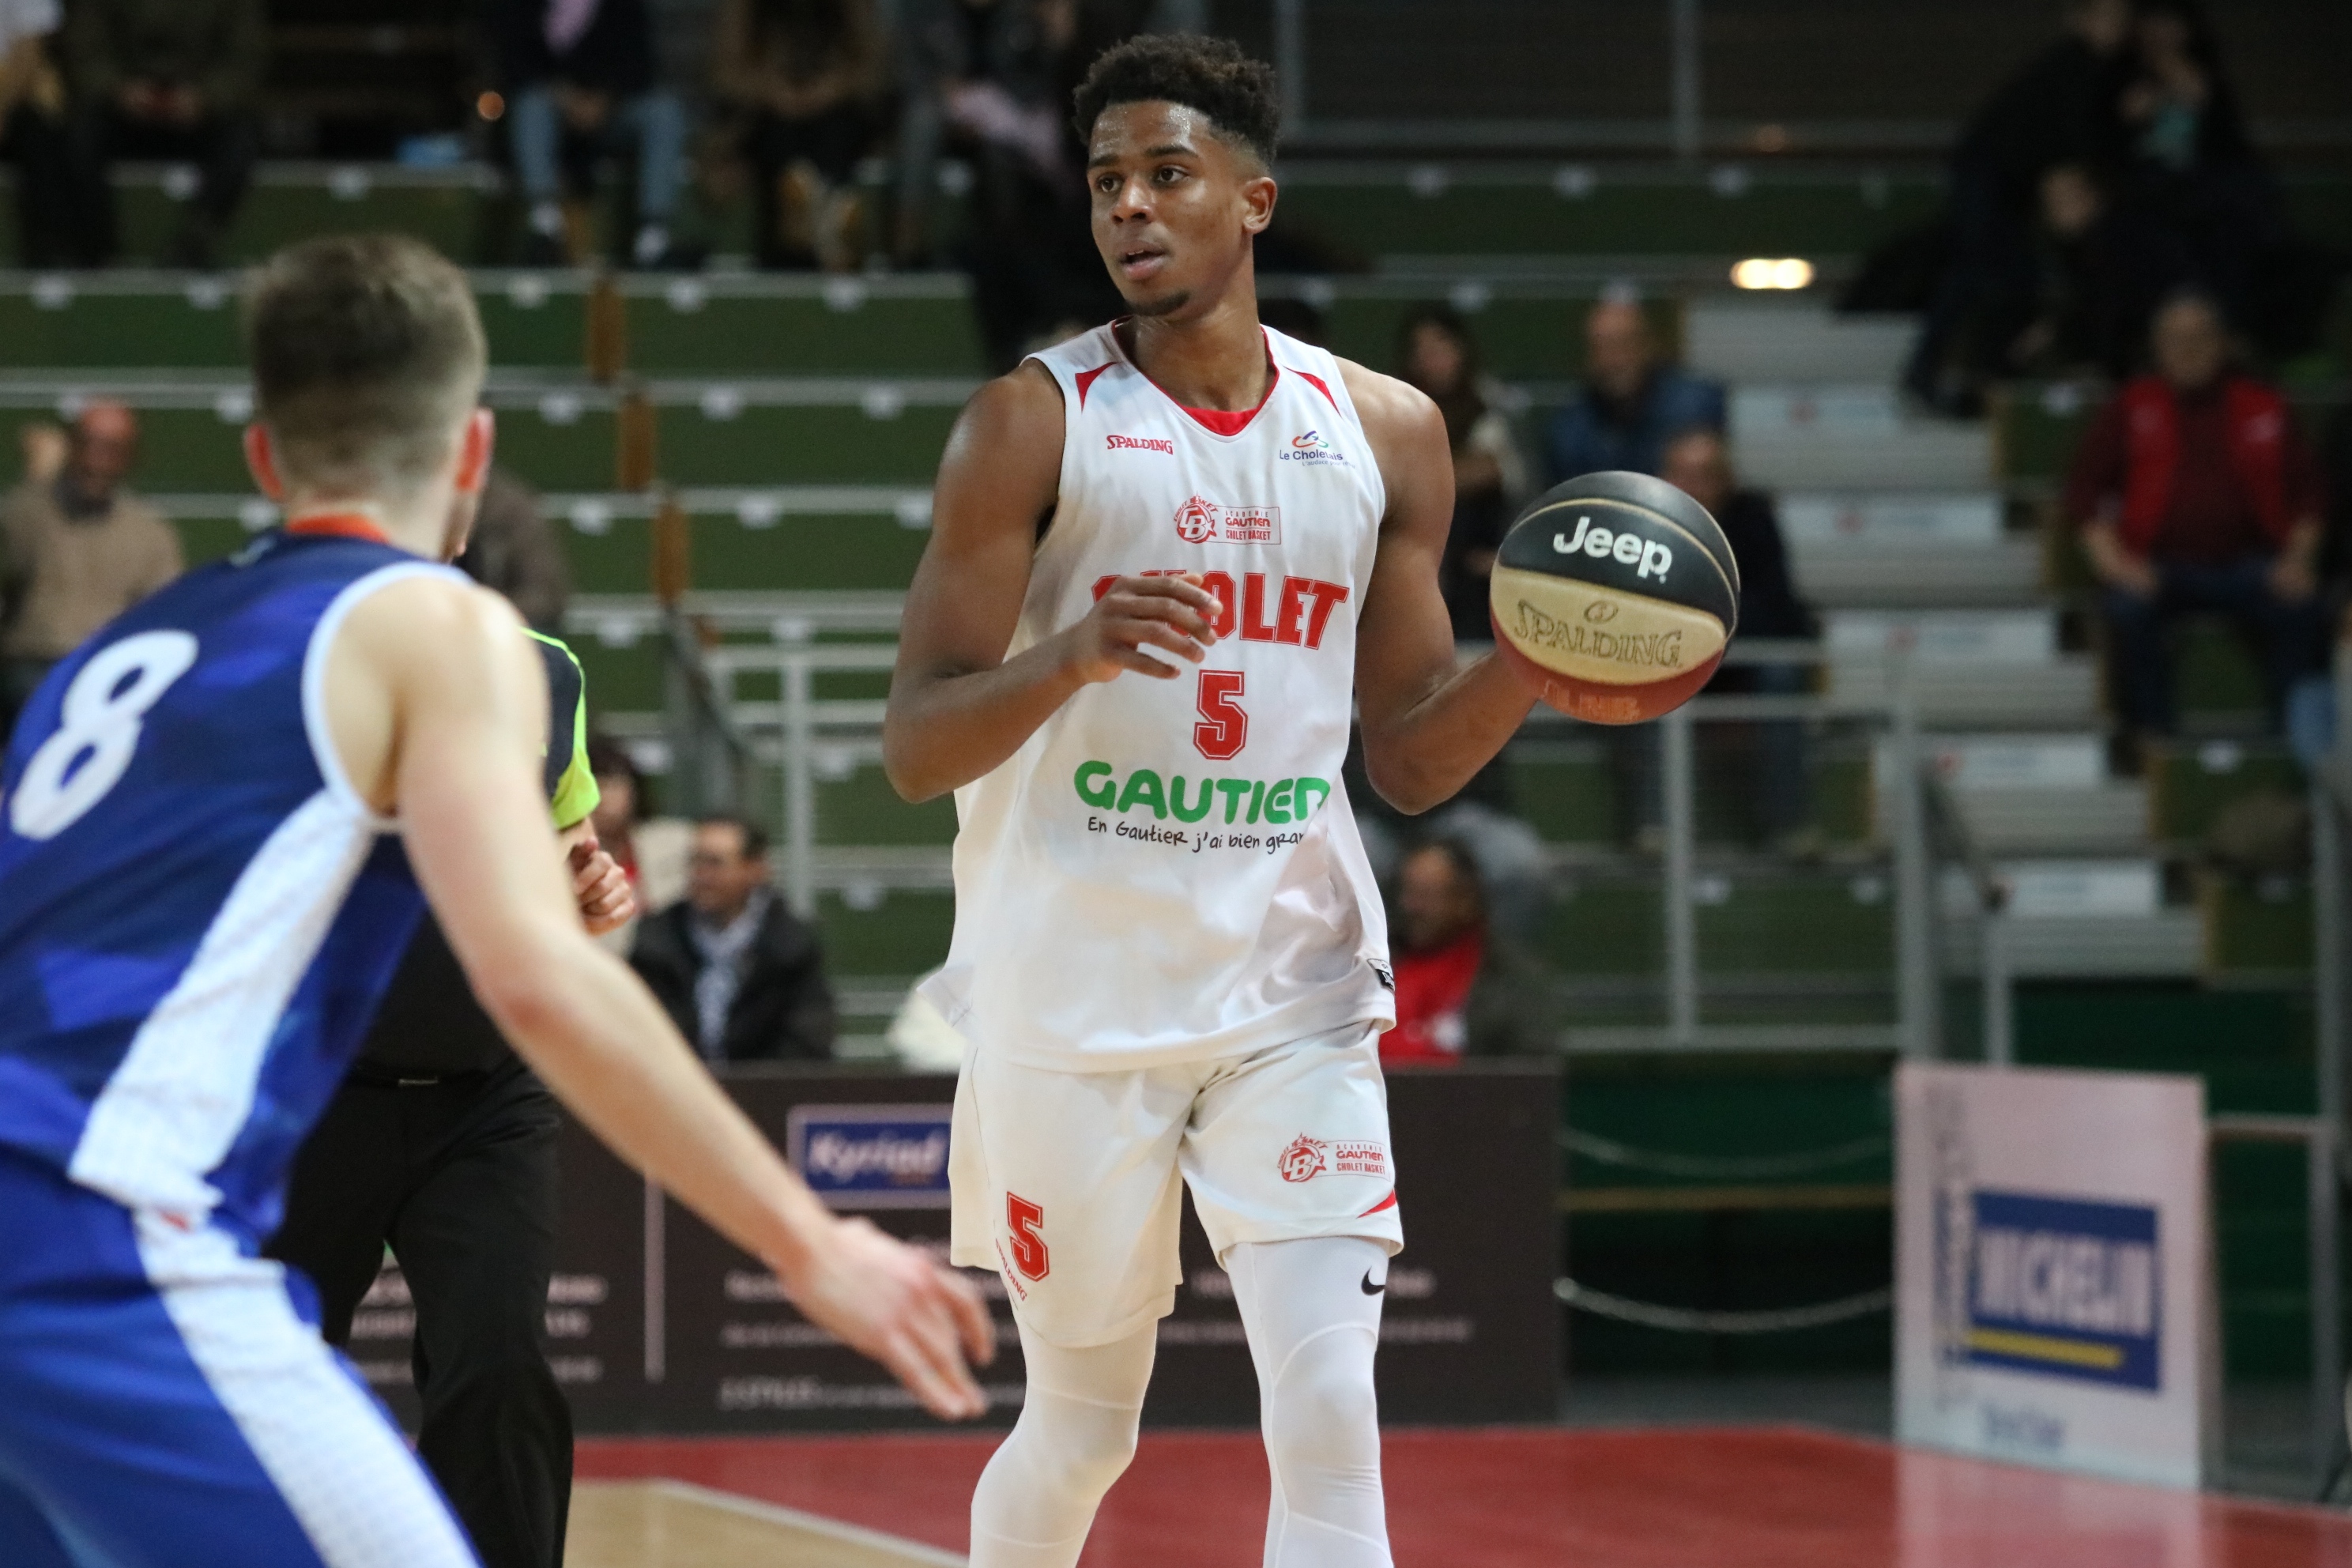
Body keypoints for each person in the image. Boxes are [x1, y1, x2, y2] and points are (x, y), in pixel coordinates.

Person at [0, 232, 989, 1566]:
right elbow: (539, 976)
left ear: (260, 456)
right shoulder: (440, 622)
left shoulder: (130, 647)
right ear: (470, 453)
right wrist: (810, 1242)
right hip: (101, 1235)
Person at [884, 36, 1540, 1567]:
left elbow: (1411, 758)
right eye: (1108, 180)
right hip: (1073, 989)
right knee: (1083, 1425)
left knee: (1329, 1427)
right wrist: (1073, 652)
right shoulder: (1028, 422)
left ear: (1253, 199)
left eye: (1166, 174)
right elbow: (917, 745)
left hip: (1290, 975)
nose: (1130, 207)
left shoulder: (1385, 432)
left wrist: (1536, 663)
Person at [267, 630, 621, 1568]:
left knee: (501, 1367)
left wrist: (586, 879)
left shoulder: (543, 667)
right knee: (275, 1372)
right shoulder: (281, 656)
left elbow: (565, 840)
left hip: (487, 1095)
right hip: (314, 1095)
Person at [2067, 292, 2328, 752]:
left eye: (2200, 338)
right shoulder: (2132, 406)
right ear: (2157, 347)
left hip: (2249, 564)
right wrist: (2115, 564)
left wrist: (2297, 560)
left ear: (2223, 344)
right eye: (2174, 339)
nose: (2187, 350)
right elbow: (2085, 496)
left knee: (2304, 607)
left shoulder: (2264, 406)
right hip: (2159, 565)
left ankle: (2293, 742)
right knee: (2126, 609)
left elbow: (2309, 497)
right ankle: (2154, 740)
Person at [1902, 0, 2133, 413]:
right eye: (2105, 17)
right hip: (1989, 176)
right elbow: (2064, 143)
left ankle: (1972, 374)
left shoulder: (2096, 72)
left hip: (2008, 186)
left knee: (2000, 274)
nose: (2115, 28)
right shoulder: (2071, 66)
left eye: (2120, 18)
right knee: (1982, 269)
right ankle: (1932, 370)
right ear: (2080, 20)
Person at [1660, 428, 1816, 850]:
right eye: (1680, 474)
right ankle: (1657, 829)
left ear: (1726, 479)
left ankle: (1789, 827)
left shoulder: (1753, 517)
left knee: (1782, 675)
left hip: (1739, 656)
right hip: (1668, 656)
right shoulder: (1644, 522)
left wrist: (1705, 630)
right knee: (1640, 677)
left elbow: (1776, 606)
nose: (1691, 487)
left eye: (1704, 474)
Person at [0, 401, 183, 741]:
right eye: (89, 444)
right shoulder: (22, 516)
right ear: (71, 446)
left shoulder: (149, 534)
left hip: (107, 673)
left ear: (129, 458)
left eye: (112, 449)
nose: (97, 460)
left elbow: (166, 620)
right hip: (31, 665)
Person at [60, 0, 264, 269]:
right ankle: (99, 249)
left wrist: (205, 99)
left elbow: (245, 56)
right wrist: (120, 91)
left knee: (241, 138)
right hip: (122, 111)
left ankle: (194, 243)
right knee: (78, 138)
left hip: (200, 111)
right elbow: (87, 50)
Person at [492, 0, 694, 270]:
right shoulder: (521, 7)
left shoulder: (625, 7)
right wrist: (566, 97)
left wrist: (604, 99)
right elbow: (514, 63)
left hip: (613, 112)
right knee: (530, 106)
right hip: (552, 111)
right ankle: (545, 228)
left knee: (665, 112)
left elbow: (641, 63)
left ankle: (652, 242)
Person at [630, 814, 837, 1063]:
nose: (702, 875)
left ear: (755, 869)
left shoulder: (791, 945)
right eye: (695, 861)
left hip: (765, 1091)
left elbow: (808, 1041)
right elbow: (636, 1032)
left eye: (715, 863)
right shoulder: (656, 940)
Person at [712, 0, 884, 271]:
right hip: (771, 117)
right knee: (779, 140)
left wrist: (826, 91)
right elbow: (727, 73)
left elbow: (873, 68)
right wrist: (774, 92)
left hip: (835, 115)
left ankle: (813, 218)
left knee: (835, 135)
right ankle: (823, 228)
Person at [1395, 303, 1529, 642]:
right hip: (1415, 554)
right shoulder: (1398, 409)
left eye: (1440, 350)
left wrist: (1420, 480)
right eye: (1422, 352)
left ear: (1461, 351)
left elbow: (1493, 471)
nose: (1431, 361)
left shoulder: (1487, 404)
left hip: (1481, 552)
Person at [1382, 840, 1556, 1065]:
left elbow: (1531, 1069)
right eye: (1408, 892)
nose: (1412, 907)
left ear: (1465, 900)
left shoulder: (1508, 975)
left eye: (1427, 895)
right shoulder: (1376, 960)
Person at [1544, 294, 1725, 486]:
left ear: (1648, 345)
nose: (1614, 360)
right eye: (1601, 348)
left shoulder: (1696, 405)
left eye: (1623, 344)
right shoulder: (1570, 427)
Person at [586, 732, 692, 951]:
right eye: (596, 787)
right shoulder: (566, 852)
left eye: (614, 786)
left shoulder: (679, 842)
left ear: (635, 790)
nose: (604, 799)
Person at [0, 0, 75, 268]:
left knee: (40, 132)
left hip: (15, 89)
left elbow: (31, 47)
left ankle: (50, 247)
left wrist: (3, 109)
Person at [458, 466, 571, 632]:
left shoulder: (508, 510)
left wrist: (477, 615)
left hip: (499, 633)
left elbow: (547, 596)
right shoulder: (424, 509)